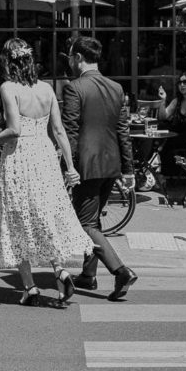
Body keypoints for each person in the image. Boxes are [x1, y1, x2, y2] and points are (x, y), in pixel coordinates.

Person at [0, 38, 94, 308]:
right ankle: (59, 271)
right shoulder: (46, 89)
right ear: (29, 60)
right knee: (43, 215)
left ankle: (30, 288)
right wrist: (70, 167)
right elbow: (60, 131)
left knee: (18, 220)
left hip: (19, 157)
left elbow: (15, 129)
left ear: (8, 61)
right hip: (46, 157)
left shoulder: (8, 88)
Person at [61, 36, 139, 301]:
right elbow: (122, 131)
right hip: (112, 162)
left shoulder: (74, 87)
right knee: (92, 220)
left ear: (79, 58)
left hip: (86, 164)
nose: (69, 61)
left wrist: (68, 166)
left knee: (85, 224)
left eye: (70, 57)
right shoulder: (116, 88)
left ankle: (120, 271)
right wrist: (128, 169)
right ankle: (88, 275)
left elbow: (70, 130)